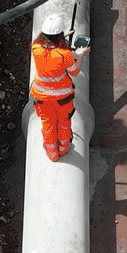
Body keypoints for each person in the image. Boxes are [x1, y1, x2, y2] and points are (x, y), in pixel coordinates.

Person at [30, 14, 89, 161]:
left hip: (42, 98)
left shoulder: (35, 48)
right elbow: (74, 72)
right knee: (63, 124)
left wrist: (63, 35)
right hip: (62, 99)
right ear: (59, 35)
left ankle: (52, 154)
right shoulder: (64, 54)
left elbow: (42, 42)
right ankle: (63, 150)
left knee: (48, 125)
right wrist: (81, 55)